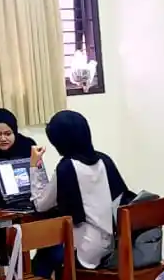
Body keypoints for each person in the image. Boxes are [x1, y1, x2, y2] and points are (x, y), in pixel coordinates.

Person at [33, 110, 129, 270]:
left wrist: (36, 166)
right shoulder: (105, 160)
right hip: (115, 245)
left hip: (86, 252)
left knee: (43, 256)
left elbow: (41, 204)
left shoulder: (67, 167)